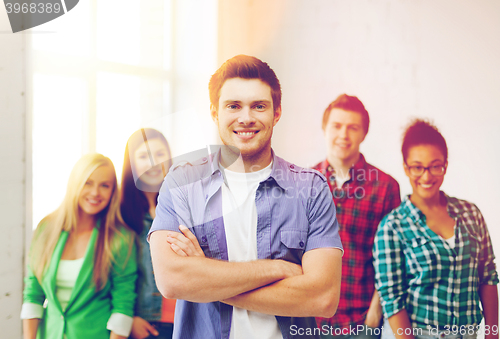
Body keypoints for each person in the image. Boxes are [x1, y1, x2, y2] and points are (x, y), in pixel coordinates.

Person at [148, 54, 344, 339]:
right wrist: (276, 269)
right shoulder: (181, 183)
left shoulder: (311, 190)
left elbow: (323, 298)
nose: (246, 117)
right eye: (233, 106)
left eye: (259, 106)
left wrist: (206, 279)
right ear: (215, 112)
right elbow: (172, 281)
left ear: (276, 113)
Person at [373, 119, 499, 339]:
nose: (427, 176)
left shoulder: (471, 213)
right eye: (417, 167)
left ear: (445, 165)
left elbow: (487, 276)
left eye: (435, 166)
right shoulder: (392, 227)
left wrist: (492, 334)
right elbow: (392, 301)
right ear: (405, 167)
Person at [21, 153, 138, 339]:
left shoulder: (120, 238)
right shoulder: (46, 229)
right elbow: (33, 294)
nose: (95, 193)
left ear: (113, 191)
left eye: (104, 186)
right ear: (74, 184)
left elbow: (122, 307)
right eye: (87, 182)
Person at [313, 94, 401, 339]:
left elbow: (391, 257)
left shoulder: (385, 187)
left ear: (364, 134)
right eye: (337, 126)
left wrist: (376, 311)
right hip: (311, 316)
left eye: (353, 128)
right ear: (324, 129)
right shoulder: (303, 183)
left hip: (361, 320)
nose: (344, 135)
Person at [120, 128, 175, 339]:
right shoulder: (119, 212)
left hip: (186, 317)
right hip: (144, 323)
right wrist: (129, 319)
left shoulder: (184, 205)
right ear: (131, 163)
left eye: (160, 154)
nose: (153, 162)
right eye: (143, 156)